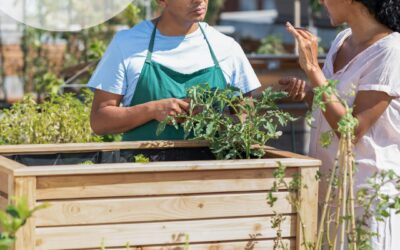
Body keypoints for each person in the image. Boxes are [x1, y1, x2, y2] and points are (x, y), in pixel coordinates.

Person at [280, 0, 400, 249]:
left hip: (367, 201)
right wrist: (307, 95)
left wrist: (312, 69)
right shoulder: (342, 39)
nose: (322, 1)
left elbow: (351, 130)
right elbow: (333, 105)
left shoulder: (392, 50)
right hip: (329, 193)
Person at [87, 0, 260, 141]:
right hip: (143, 174)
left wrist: (213, 118)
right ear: (161, 1)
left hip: (210, 175)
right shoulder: (127, 44)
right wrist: (153, 110)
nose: (199, 0)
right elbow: (100, 120)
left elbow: (247, 120)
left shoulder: (227, 47)